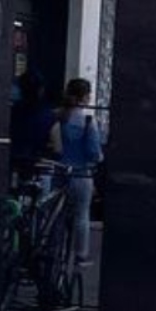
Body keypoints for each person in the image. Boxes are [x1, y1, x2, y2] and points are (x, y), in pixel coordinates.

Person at [51, 78, 103, 267]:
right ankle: (80, 255)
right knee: (82, 214)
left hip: (59, 171)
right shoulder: (88, 121)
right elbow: (94, 153)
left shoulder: (58, 116)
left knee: (57, 214)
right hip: (81, 173)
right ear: (85, 97)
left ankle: (55, 250)